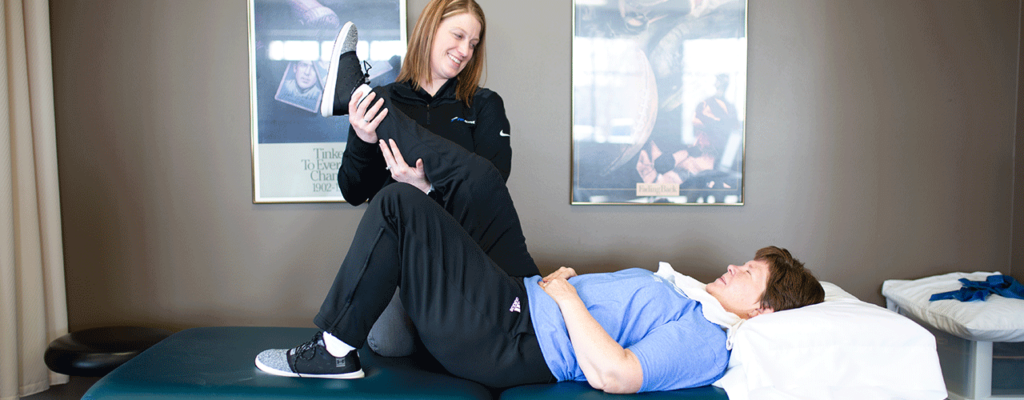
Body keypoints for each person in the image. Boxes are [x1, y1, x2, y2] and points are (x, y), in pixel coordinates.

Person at [255, 23, 826, 393]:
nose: (733, 267)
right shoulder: (697, 302)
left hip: (514, 334)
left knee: (397, 204)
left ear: (763, 310)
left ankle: (334, 351)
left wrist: (565, 295)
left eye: (748, 273)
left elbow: (618, 374)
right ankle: (357, 101)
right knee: (474, 181)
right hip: (518, 299)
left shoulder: (707, 338)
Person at [327, 0, 536, 357]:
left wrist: (426, 190)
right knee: (392, 342)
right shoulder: (384, 101)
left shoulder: (484, 105)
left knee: (479, 176)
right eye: (458, 35)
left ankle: (350, 93)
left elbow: (488, 193)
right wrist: (363, 138)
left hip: (464, 258)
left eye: (473, 43)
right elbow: (352, 190)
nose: (465, 51)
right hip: (401, 262)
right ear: (429, 30)